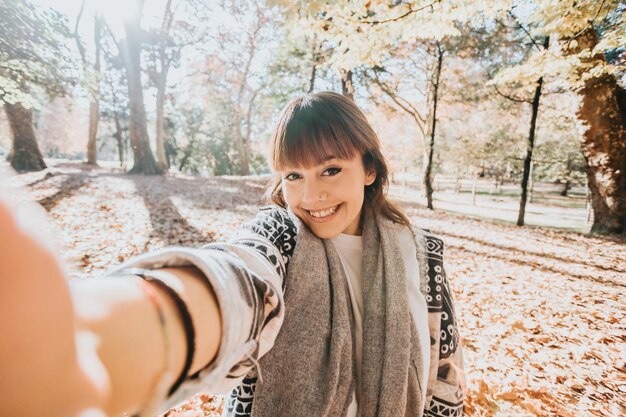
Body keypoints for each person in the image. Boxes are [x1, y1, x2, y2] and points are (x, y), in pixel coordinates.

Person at [0, 92, 465, 417]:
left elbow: (446, 374)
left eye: (330, 169)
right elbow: (238, 279)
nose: (311, 196)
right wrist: (93, 344)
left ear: (369, 169)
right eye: (293, 176)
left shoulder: (420, 257)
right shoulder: (281, 234)